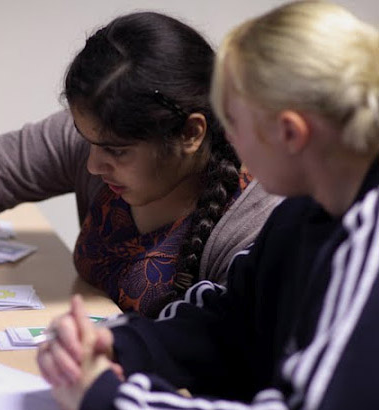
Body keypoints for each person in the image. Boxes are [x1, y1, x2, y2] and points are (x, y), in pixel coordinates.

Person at [37, 1, 379, 409]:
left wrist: (109, 398)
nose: (226, 140)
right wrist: (118, 342)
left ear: (290, 133)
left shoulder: (368, 243)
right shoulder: (303, 212)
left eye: (232, 120)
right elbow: (227, 322)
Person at [0, 12, 278, 317]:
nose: (93, 164)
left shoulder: (254, 230)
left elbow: (228, 365)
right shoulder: (99, 137)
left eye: (116, 150)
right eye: (86, 139)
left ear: (190, 133)